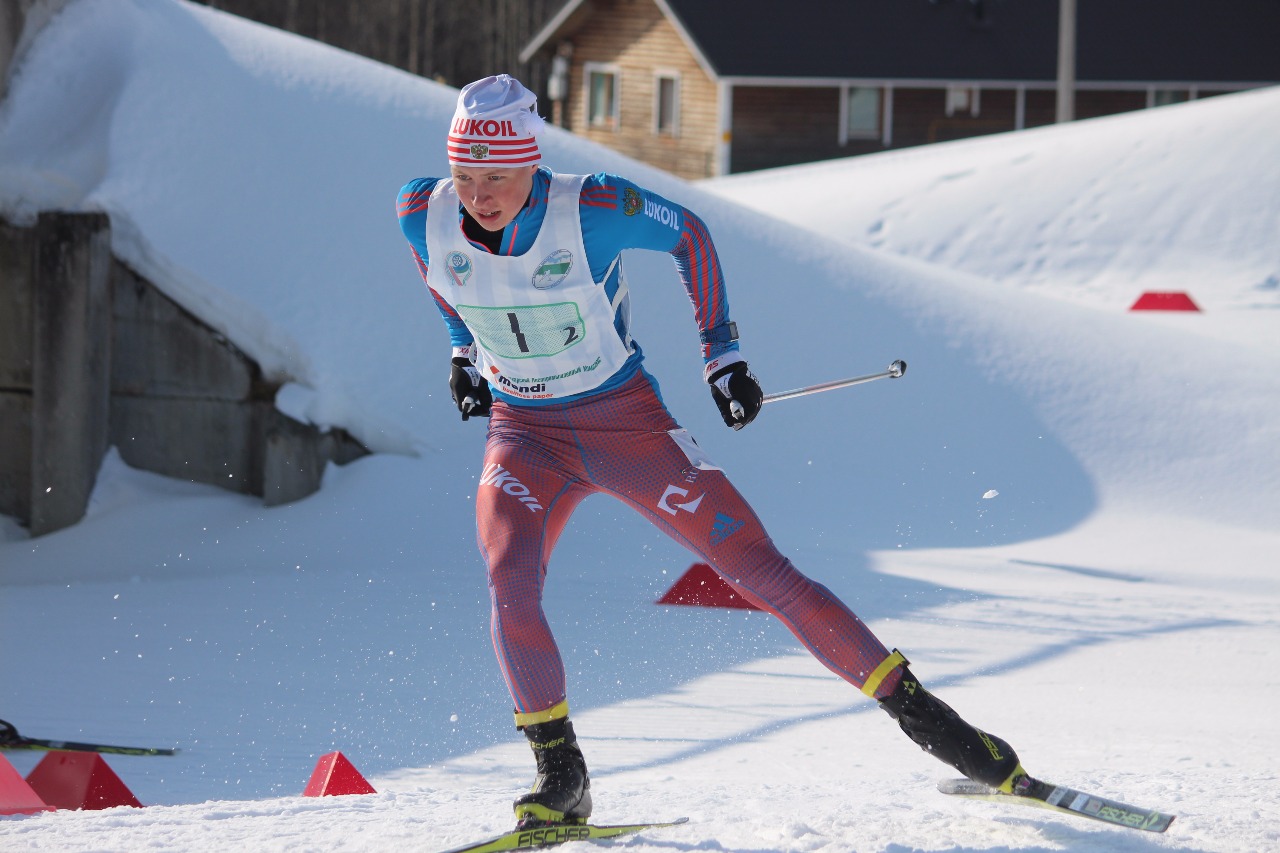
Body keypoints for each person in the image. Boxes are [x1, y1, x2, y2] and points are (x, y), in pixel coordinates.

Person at [397, 74, 1024, 827]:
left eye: (497, 176)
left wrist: (722, 355)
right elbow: (445, 283)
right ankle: (560, 773)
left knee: (763, 573)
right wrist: (462, 351)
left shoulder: (593, 206)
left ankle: (930, 720)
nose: (479, 194)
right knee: (509, 586)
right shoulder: (420, 212)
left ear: (532, 162)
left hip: (624, 426)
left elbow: (689, 233)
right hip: (523, 434)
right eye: (466, 175)